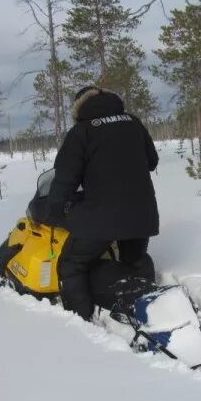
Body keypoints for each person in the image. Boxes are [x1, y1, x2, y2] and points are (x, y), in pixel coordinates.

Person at [48, 86, 159, 320]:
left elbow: (65, 178)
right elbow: (152, 161)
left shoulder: (82, 131)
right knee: (135, 260)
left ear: (79, 108)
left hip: (102, 214)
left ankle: (81, 321)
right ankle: (153, 308)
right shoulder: (133, 123)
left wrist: (55, 207)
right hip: (142, 211)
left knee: (72, 264)